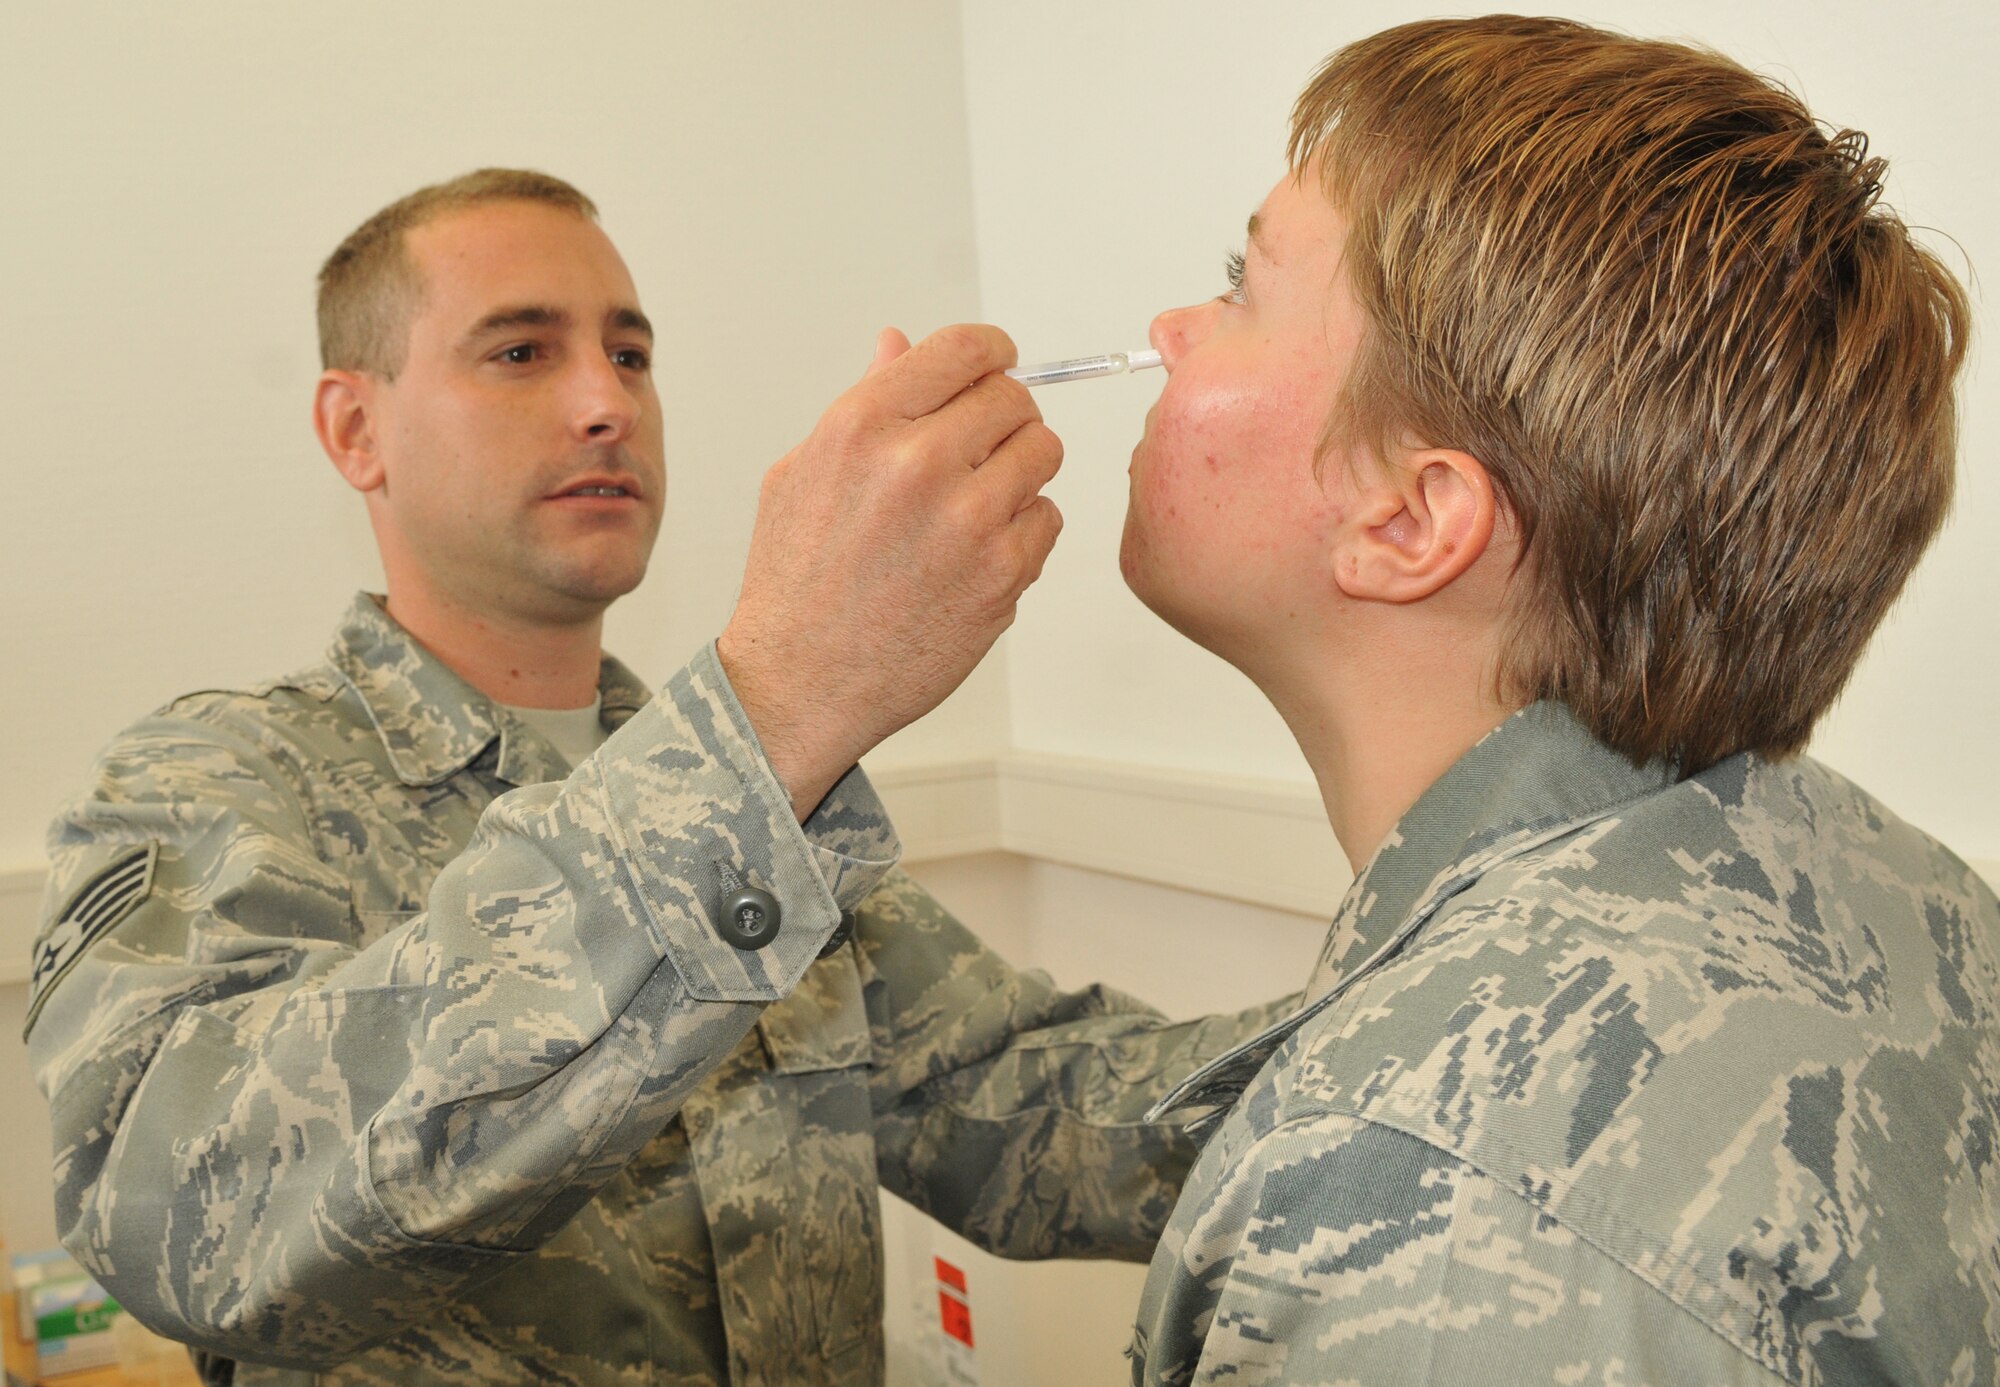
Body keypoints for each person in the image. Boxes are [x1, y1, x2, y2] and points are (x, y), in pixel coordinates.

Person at [26, 170, 1285, 1386]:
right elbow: (194, 1224)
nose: (605, 404)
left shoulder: (756, 791)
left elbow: (1030, 1110)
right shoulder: (219, 786)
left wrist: (1422, 1024)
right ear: (357, 429)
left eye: (630, 355)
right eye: (521, 352)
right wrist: (773, 705)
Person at [1118, 17, 1997, 1385]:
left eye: (1243, 284)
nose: (1171, 332)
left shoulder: (1433, 1197)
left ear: (1415, 520)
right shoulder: (1893, 885)